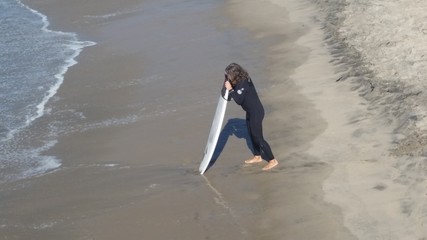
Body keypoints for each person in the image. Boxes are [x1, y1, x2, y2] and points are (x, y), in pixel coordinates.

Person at [222, 63, 278, 171]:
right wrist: (226, 82)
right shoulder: (240, 79)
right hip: (250, 112)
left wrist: (230, 90)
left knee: (258, 137)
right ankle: (257, 156)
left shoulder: (244, 83)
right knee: (251, 134)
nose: (228, 77)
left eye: (229, 75)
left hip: (256, 112)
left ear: (234, 74)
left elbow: (238, 100)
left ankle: (272, 160)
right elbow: (228, 93)